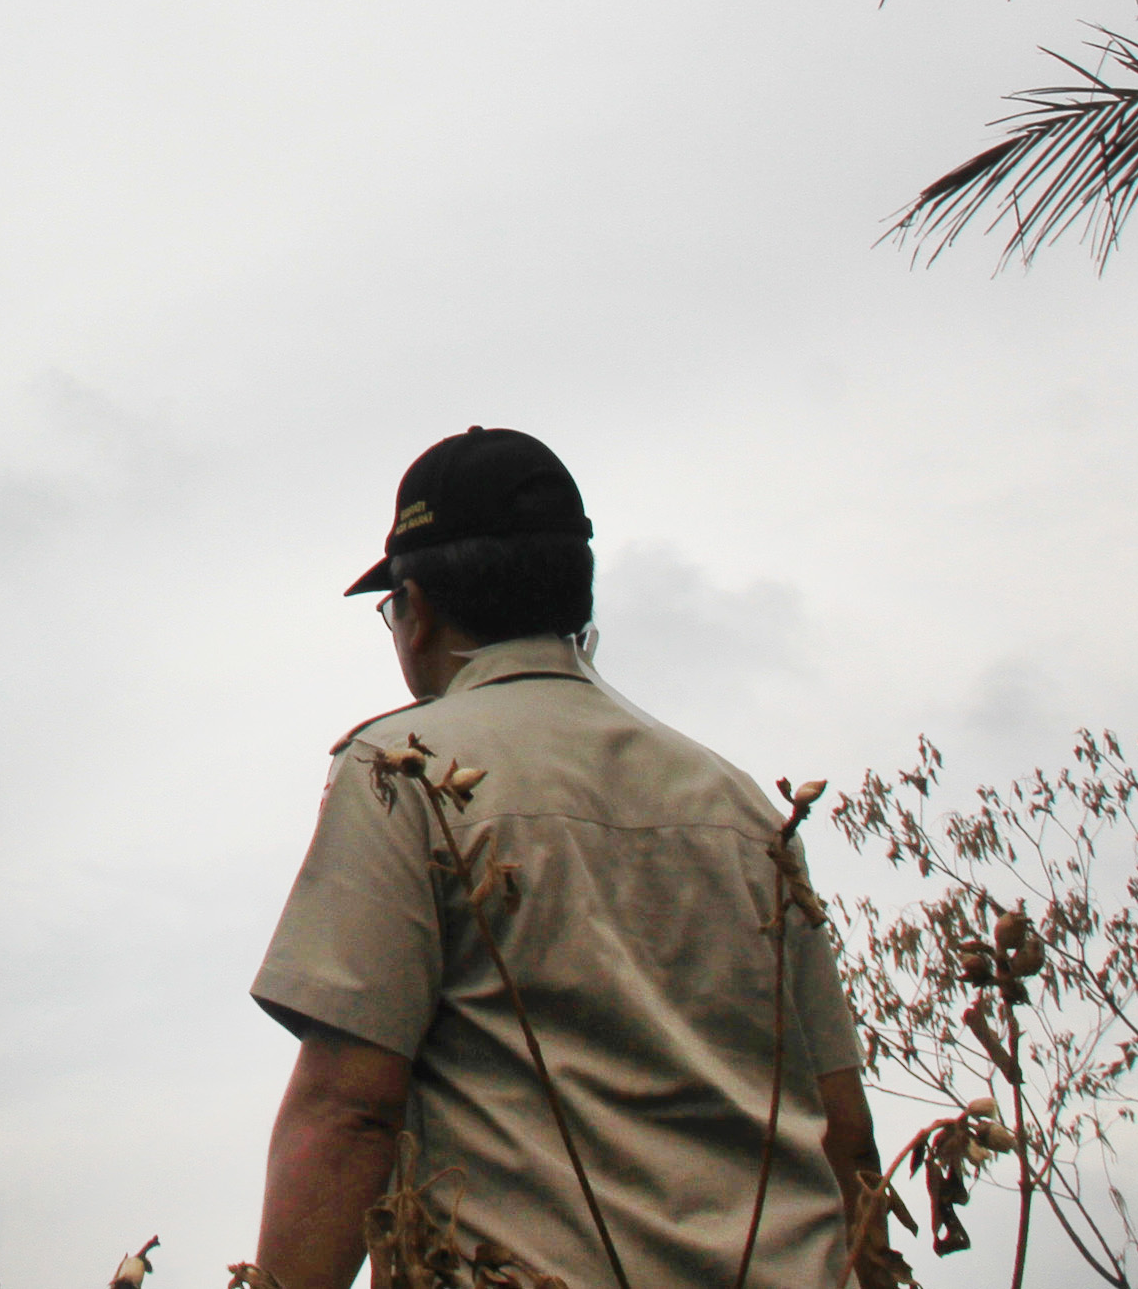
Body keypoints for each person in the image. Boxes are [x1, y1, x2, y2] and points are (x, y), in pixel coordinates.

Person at [246, 428, 894, 1289]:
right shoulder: (742, 808)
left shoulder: (405, 768)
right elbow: (843, 1127)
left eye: (390, 607)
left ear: (417, 605)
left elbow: (350, 1108)